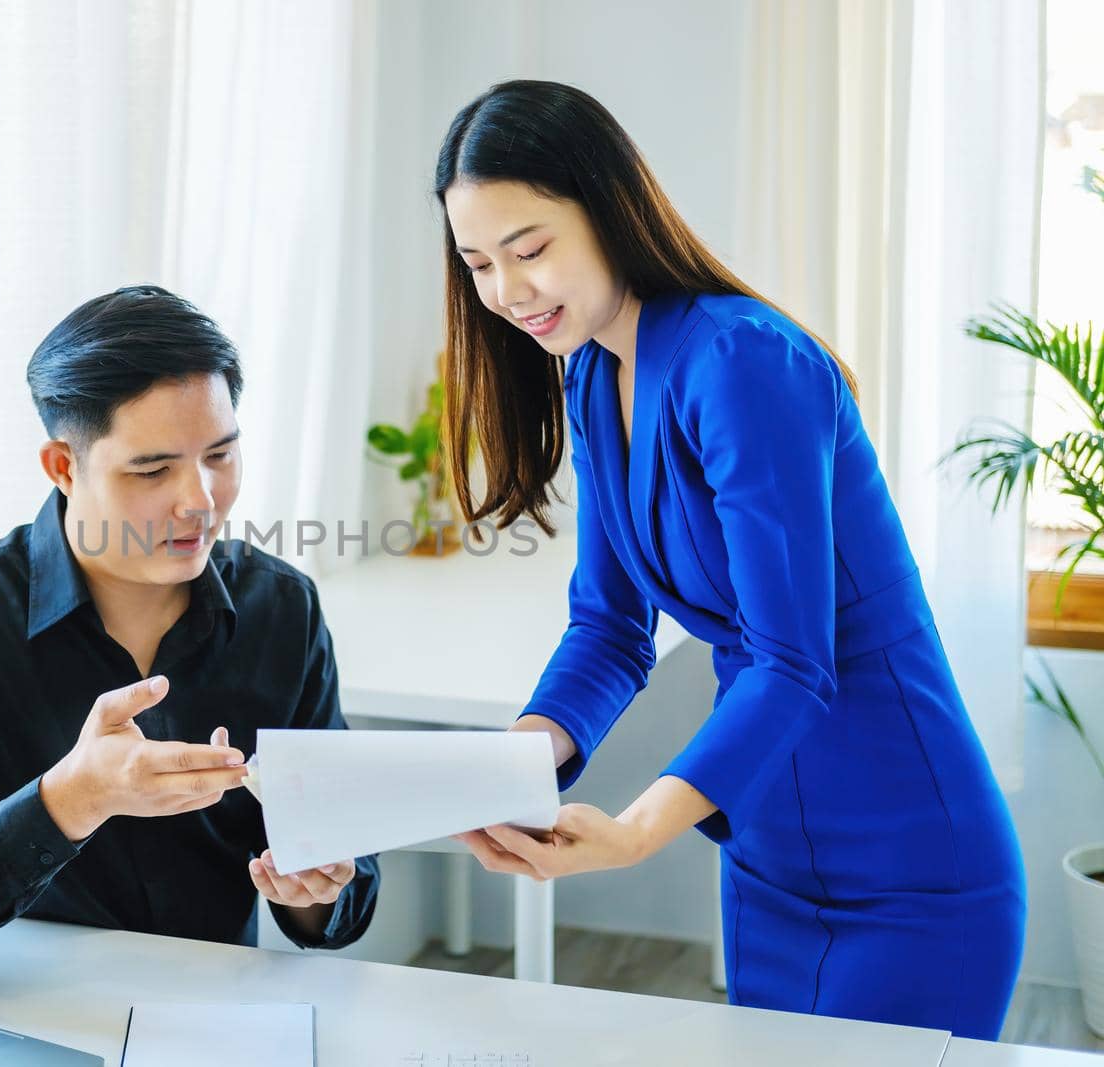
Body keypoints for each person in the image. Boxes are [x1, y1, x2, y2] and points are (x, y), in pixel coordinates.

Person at [437, 80, 1024, 1038]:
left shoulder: (745, 361)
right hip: (767, 854)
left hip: (911, 866)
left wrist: (630, 833)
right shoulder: (594, 374)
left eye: (530, 249)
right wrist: (519, 760)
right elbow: (610, 625)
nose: (506, 292)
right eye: (478, 264)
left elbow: (793, 662)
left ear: (609, 205)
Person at [0, 284, 377, 993]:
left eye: (220, 454)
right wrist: (67, 801)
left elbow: (348, 879)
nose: (200, 500)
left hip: (208, 1029)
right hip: (8, 1023)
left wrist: (318, 892)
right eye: (153, 469)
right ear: (62, 466)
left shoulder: (282, 610)